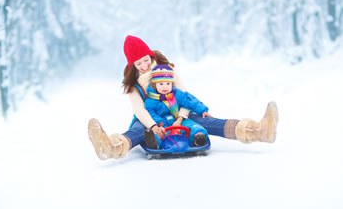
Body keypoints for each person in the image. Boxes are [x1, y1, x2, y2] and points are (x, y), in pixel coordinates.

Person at [88, 35, 279, 160]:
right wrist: (153, 125)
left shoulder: (168, 70)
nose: (145, 66)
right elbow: (139, 109)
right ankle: (111, 147)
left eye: (146, 60)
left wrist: (182, 116)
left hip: (177, 111)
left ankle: (258, 131)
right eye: (139, 64)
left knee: (210, 122)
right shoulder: (133, 84)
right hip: (151, 118)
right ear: (133, 65)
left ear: (150, 55)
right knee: (138, 132)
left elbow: (183, 95)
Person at [143, 63, 210, 149]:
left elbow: (189, 100)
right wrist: (159, 122)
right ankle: (154, 142)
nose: (165, 87)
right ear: (155, 85)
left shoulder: (177, 94)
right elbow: (150, 113)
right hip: (163, 123)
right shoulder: (151, 100)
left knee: (191, 125)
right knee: (159, 133)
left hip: (178, 120)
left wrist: (202, 110)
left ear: (172, 83)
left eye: (168, 83)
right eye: (161, 84)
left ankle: (199, 137)